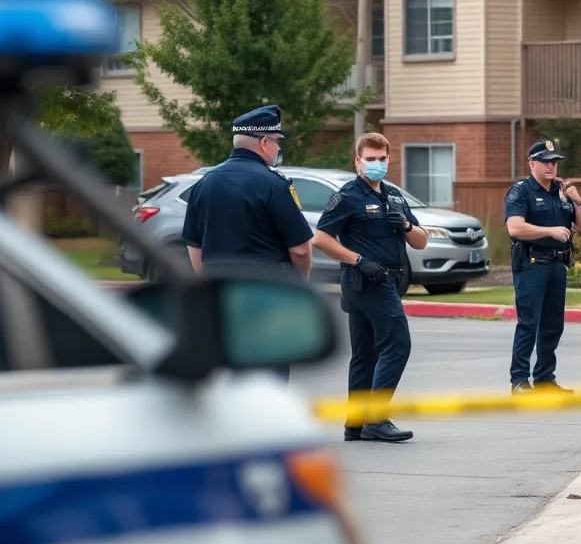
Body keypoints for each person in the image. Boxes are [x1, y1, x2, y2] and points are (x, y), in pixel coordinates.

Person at [313, 132, 427, 444]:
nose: (376, 164)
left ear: (389, 160)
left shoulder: (394, 196)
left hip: (388, 277)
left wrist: (404, 225)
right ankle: (375, 418)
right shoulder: (348, 195)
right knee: (398, 344)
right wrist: (357, 259)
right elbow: (321, 238)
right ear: (358, 161)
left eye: (381, 159)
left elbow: (421, 239)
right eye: (370, 159)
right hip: (365, 280)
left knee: (365, 353)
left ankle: (356, 423)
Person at [181, 104, 314, 279]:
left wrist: (209, 285)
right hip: (265, 289)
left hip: (220, 291)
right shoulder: (275, 185)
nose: (279, 148)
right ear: (265, 142)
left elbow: (194, 243)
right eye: (277, 141)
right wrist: (299, 282)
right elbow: (301, 250)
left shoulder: (203, 183)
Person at [504, 139, 581, 394]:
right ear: (532, 163)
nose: (551, 166)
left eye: (554, 162)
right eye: (545, 161)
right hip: (531, 264)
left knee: (553, 325)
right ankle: (519, 381)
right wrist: (550, 231)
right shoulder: (521, 191)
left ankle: (545, 378)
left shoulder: (561, 193)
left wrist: (577, 201)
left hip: (557, 266)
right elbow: (515, 227)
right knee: (529, 323)